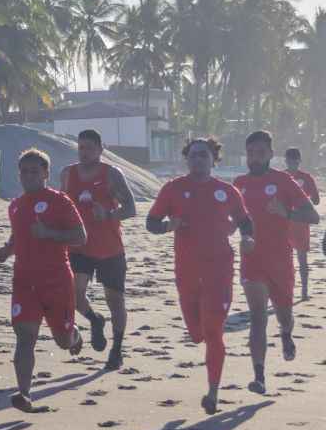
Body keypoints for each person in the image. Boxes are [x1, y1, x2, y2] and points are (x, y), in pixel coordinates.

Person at [146, 138, 255, 414]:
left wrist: (248, 237)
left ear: (213, 159)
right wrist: (169, 226)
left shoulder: (226, 191)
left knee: (213, 331)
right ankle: (201, 340)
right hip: (187, 271)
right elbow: (151, 222)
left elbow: (245, 221)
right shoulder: (173, 189)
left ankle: (213, 392)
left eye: (203, 156)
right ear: (187, 159)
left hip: (220, 269)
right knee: (196, 334)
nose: (198, 160)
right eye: (193, 156)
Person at [0, 148, 86, 413]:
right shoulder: (15, 205)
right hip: (24, 282)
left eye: (34, 171)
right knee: (25, 337)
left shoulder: (60, 201)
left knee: (62, 340)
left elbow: (80, 236)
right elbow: (19, 235)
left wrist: (48, 232)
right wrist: (8, 249)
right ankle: (24, 393)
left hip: (57, 281)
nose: (28, 176)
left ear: (46, 173)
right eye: (24, 172)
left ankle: (74, 336)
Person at [234, 131, 319, 395]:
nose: (254, 158)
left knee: (284, 315)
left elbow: (313, 215)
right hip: (252, 260)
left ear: (271, 154)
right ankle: (259, 376)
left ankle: (286, 334)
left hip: (281, 261)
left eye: (260, 153)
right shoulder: (239, 183)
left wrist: (288, 213)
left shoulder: (284, 181)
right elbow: (231, 219)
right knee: (258, 317)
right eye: (250, 153)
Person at [60, 129, 136, 371]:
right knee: (74, 295)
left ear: (101, 149)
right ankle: (95, 320)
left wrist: (109, 215)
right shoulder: (67, 174)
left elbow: (131, 207)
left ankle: (117, 349)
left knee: (115, 299)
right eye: (81, 147)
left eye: (90, 148)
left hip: (109, 248)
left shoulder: (112, 174)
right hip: (78, 246)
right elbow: (60, 205)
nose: (85, 152)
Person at [284, 148, 320, 300]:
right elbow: (316, 200)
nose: (292, 163)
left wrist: (304, 203)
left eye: (294, 160)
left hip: (297, 222)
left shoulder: (285, 177)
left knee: (299, 259)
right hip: (286, 222)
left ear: (298, 161)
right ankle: (294, 290)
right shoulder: (283, 177)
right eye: (290, 160)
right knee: (290, 259)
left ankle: (303, 290)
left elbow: (316, 200)